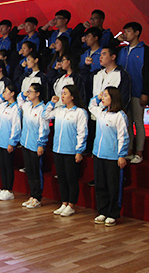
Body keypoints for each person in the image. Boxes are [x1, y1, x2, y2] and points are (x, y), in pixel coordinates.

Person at [43, 85, 88, 217]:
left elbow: (82, 132)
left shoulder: (79, 112)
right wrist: (51, 103)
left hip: (71, 150)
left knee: (71, 178)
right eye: (62, 93)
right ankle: (64, 202)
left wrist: (79, 150)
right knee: (61, 178)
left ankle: (71, 204)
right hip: (58, 149)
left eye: (65, 93)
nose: (62, 96)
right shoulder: (59, 110)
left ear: (72, 96)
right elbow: (45, 115)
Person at [89, 87, 129, 227]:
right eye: (103, 95)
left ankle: (113, 213)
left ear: (113, 98)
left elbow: (123, 136)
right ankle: (102, 211)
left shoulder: (120, 115)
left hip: (112, 156)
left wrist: (121, 155)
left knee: (113, 185)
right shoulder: (101, 112)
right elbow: (91, 106)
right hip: (99, 154)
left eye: (106, 95)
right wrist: (97, 97)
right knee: (100, 184)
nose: (103, 98)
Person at [118, 22, 149, 164]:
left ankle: (139, 152)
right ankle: (129, 150)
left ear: (137, 33)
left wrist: (145, 92)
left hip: (138, 92)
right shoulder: (122, 50)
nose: (125, 34)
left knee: (138, 122)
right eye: (124, 31)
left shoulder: (145, 50)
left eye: (128, 31)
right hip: (124, 93)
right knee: (126, 122)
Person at [17, 83, 49, 209]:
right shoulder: (27, 105)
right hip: (25, 143)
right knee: (29, 171)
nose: (28, 93)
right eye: (28, 91)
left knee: (36, 171)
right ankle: (32, 195)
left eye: (30, 91)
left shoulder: (42, 109)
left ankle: (37, 197)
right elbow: (19, 100)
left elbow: (44, 128)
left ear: (38, 94)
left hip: (35, 145)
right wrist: (23, 93)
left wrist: (41, 144)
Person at [0, 84, 22, 201]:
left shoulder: (16, 109)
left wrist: (12, 142)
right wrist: (2, 96)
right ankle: (4, 188)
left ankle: (9, 190)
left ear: (13, 93)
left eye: (6, 91)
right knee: (2, 166)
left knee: (8, 166)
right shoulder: (4, 105)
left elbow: (16, 127)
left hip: (7, 142)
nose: (4, 94)